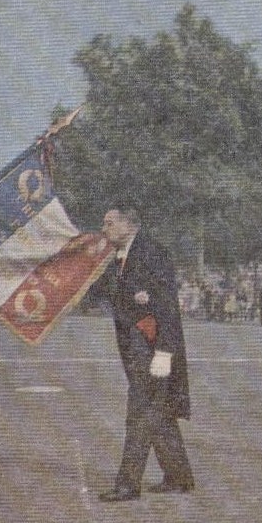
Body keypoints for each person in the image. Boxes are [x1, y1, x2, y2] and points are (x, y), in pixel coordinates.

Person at [91, 206, 193, 502]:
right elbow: (104, 293)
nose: (104, 228)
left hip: (152, 347)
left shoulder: (151, 252)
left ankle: (127, 484)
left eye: (109, 222)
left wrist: (164, 351)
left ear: (129, 223)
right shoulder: (120, 257)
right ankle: (178, 475)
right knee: (158, 413)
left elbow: (167, 306)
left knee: (139, 413)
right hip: (136, 347)